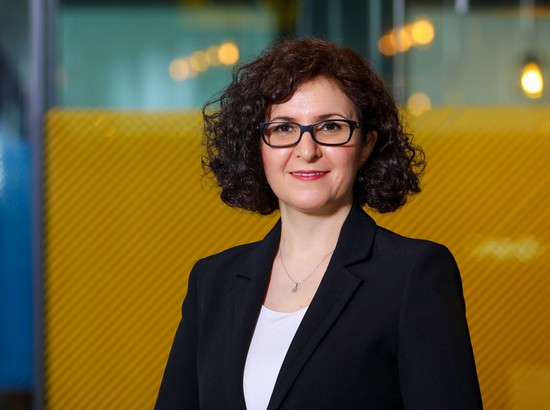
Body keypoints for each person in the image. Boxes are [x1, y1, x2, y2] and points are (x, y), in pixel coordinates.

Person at [155, 37, 482, 409]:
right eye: (283, 128)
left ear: (366, 144)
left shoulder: (413, 274)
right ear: (257, 146)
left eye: (330, 127)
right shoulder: (212, 281)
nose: (307, 151)